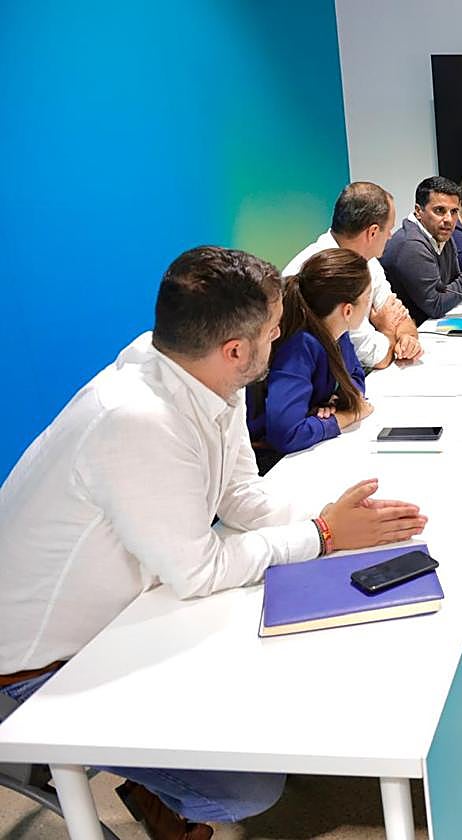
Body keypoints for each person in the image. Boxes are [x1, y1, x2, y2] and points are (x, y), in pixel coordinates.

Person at [0, 247, 427, 840]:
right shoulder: (137, 418)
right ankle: (158, 792)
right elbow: (197, 572)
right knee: (246, 788)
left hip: (131, 607)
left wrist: (329, 518)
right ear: (234, 350)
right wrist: (323, 535)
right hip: (40, 664)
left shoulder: (199, 375)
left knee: (276, 668)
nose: (282, 334)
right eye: (273, 328)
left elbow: (241, 497)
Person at [247, 249, 373, 472]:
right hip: (270, 463)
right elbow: (286, 434)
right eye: (367, 297)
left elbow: (355, 375)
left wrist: (337, 402)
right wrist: (346, 415)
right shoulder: (299, 345)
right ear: (347, 310)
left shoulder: (338, 333)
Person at [283, 181, 422, 370]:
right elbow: (375, 357)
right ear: (372, 232)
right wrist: (388, 330)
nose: (390, 236)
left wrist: (407, 337)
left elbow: (397, 314)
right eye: (389, 229)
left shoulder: (368, 259)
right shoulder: (328, 273)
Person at [380, 175, 462, 324]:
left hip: (429, 323)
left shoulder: (441, 234)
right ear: (418, 211)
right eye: (439, 210)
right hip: (412, 329)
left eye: (454, 212)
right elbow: (436, 306)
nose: (449, 219)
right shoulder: (410, 245)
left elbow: (452, 284)